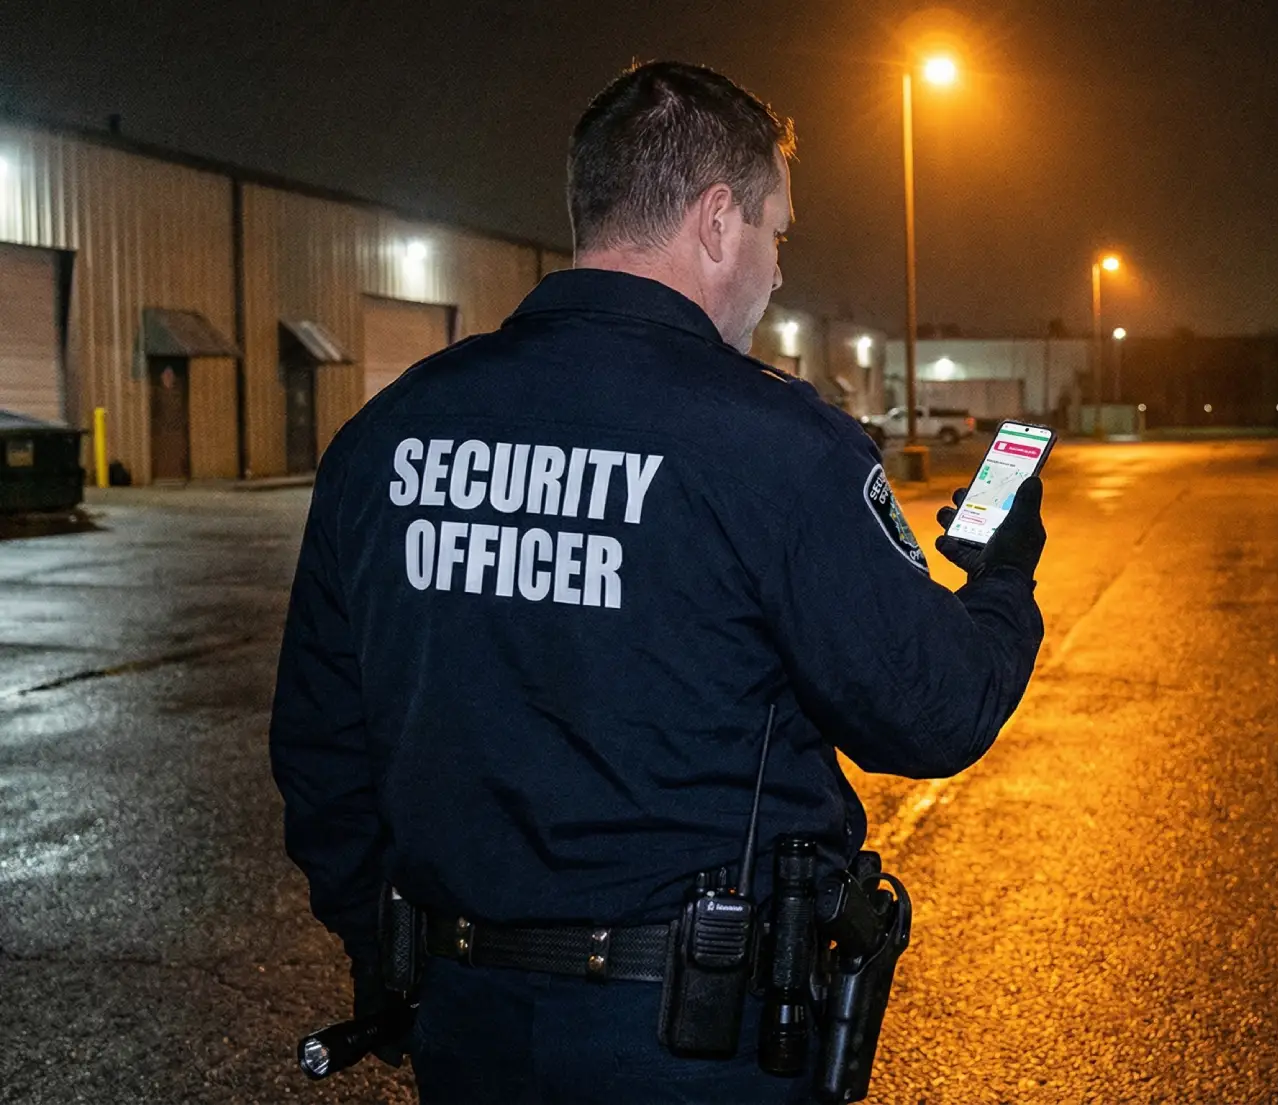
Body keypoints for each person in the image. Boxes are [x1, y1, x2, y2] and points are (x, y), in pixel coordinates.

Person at [269, 60, 1047, 1104]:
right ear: (718, 221)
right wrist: (1003, 579)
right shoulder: (776, 445)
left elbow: (323, 749)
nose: (777, 270)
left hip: (467, 1026)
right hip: (696, 1044)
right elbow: (932, 710)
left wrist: (396, 949)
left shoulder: (386, 434)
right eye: (778, 231)